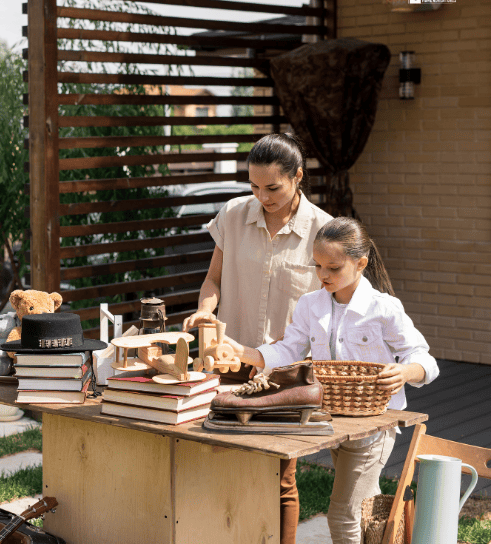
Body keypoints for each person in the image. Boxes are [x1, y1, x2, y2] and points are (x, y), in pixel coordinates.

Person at [221, 216, 440, 544]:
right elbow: (288, 349)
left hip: (375, 428)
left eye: (333, 268)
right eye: (317, 266)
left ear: (360, 263)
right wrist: (244, 352)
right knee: (367, 509)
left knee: (343, 516)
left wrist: (407, 372)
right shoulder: (310, 304)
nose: (323, 275)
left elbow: (426, 359)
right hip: (334, 421)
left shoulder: (384, 309)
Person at [183, 132, 333, 544]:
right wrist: (205, 310)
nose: (262, 196)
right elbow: (213, 280)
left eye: (272, 188)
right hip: (230, 363)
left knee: (280, 473)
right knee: (221, 460)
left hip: (282, 374)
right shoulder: (233, 214)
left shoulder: (322, 230)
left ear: (298, 177)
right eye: (253, 186)